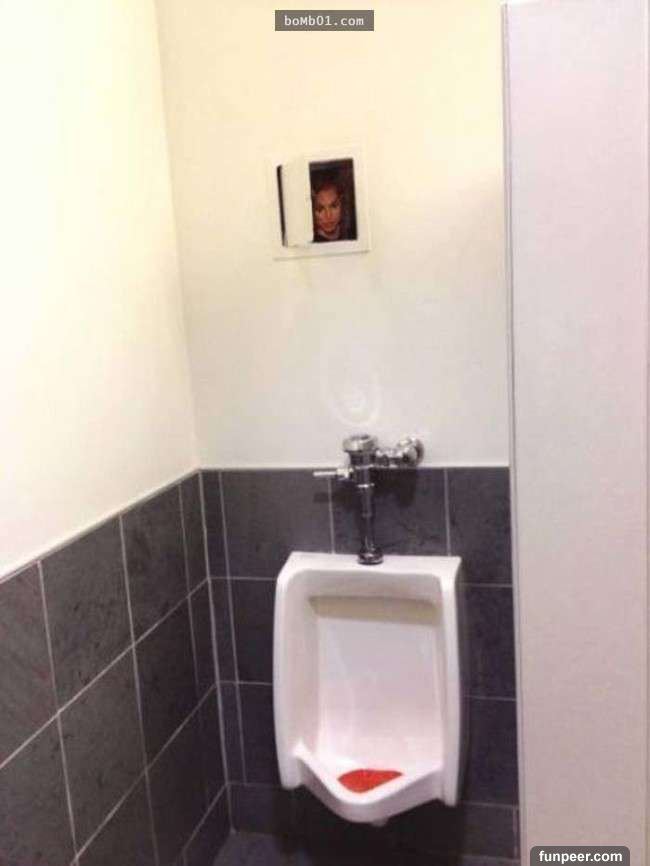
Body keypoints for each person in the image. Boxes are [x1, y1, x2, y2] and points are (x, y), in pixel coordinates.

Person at [310, 171, 357, 242]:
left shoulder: (353, 235)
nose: (328, 215)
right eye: (320, 209)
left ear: (342, 204)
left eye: (334, 206)